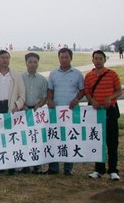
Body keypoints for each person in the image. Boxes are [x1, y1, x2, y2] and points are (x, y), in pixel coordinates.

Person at [45, 47, 84, 176]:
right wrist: (49, 99)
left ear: (71, 58)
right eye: (62, 57)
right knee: (54, 138)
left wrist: (76, 99)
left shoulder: (77, 74)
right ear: (59, 58)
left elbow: (82, 90)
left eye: (66, 57)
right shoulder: (53, 73)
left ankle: (68, 169)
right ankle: (54, 167)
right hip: (55, 112)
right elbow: (50, 89)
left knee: (70, 139)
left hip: (71, 112)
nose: (64, 60)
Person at [85, 50, 122, 181]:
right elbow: (87, 92)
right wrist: (92, 101)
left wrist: (110, 98)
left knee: (112, 142)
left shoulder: (112, 74)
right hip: (96, 112)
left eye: (101, 58)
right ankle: (98, 169)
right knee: (97, 141)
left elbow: (119, 91)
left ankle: (113, 170)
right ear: (93, 60)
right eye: (96, 58)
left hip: (110, 111)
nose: (98, 60)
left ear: (104, 60)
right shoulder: (89, 76)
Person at [0, 50, 25, 115]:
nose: (5, 60)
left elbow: (22, 94)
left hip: (12, 108)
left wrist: (17, 106)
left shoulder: (16, 75)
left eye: (7, 58)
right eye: (2, 58)